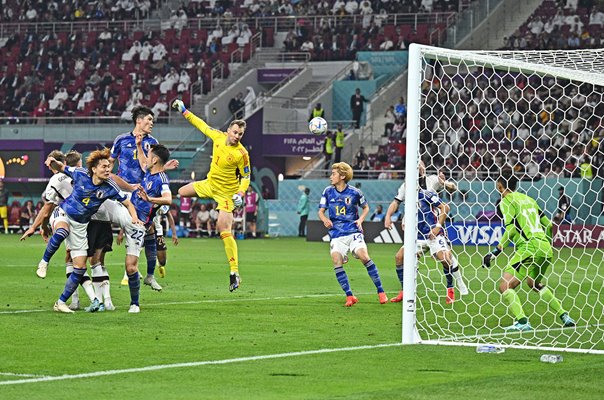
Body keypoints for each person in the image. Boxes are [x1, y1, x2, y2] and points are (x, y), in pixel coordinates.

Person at [45, 148, 142, 313]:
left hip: (99, 222)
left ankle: (106, 301)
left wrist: (134, 217)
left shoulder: (107, 184)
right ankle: (98, 301)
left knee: (88, 261)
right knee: (93, 261)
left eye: (109, 166)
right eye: (104, 166)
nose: (107, 169)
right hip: (89, 221)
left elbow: (48, 204)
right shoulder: (79, 174)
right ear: (92, 168)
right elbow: (62, 168)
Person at [172, 99, 251, 292]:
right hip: (209, 185)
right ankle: (158, 214)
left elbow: (246, 177)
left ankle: (234, 272)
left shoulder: (242, 153)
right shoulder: (217, 137)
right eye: (235, 132)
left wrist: (240, 193)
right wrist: (184, 110)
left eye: (240, 134)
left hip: (226, 193)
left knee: (223, 228)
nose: (237, 136)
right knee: (181, 192)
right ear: (229, 130)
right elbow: (201, 124)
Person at [482, 173, 575, 331]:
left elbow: (510, 229)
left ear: (499, 186)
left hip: (528, 248)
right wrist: (547, 243)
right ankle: (564, 315)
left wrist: (495, 252)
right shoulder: (530, 200)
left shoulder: (506, 201)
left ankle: (522, 321)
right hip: (545, 248)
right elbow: (550, 226)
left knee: (505, 286)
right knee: (534, 283)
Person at [111, 106, 176, 291]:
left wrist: (165, 167)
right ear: (139, 120)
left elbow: (150, 166)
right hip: (123, 191)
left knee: (148, 231)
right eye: (149, 119)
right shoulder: (121, 140)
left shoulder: (153, 142)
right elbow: (110, 163)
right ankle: (129, 270)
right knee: (132, 227)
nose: (152, 123)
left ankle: (146, 274)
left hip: (144, 193)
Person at [385, 160, 467, 302]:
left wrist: (444, 183)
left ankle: (451, 289)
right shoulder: (406, 186)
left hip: (433, 226)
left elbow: (453, 189)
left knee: (446, 259)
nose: (418, 166)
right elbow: (396, 202)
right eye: (415, 164)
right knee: (400, 258)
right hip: (416, 232)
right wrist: (388, 216)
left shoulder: (432, 180)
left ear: (424, 167)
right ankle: (405, 290)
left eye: (420, 163)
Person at [318, 162, 388, 306]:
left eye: (334, 174)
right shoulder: (327, 191)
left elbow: (366, 207)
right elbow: (321, 211)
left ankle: (381, 292)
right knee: (336, 261)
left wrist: (360, 220)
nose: (331, 176)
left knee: (364, 256)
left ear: (342, 176)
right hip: (337, 234)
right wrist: (325, 219)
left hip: (353, 231)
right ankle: (349, 296)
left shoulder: (355, 192)